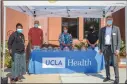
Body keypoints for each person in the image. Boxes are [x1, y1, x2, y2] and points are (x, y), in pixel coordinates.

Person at [99, 15, 121, 84]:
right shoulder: (102, 29)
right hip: (105, 48)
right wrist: (100, 49)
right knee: (106, 63)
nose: (109, 21)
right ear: (106, 21)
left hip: (113, 48)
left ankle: (117, 78)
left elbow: (119, 40)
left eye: (110, 19)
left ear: (112, 20)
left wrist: (118, 49)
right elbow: (100, 40)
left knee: (115, 64)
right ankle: (108, 76)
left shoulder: (116, 29)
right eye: (108, 20)